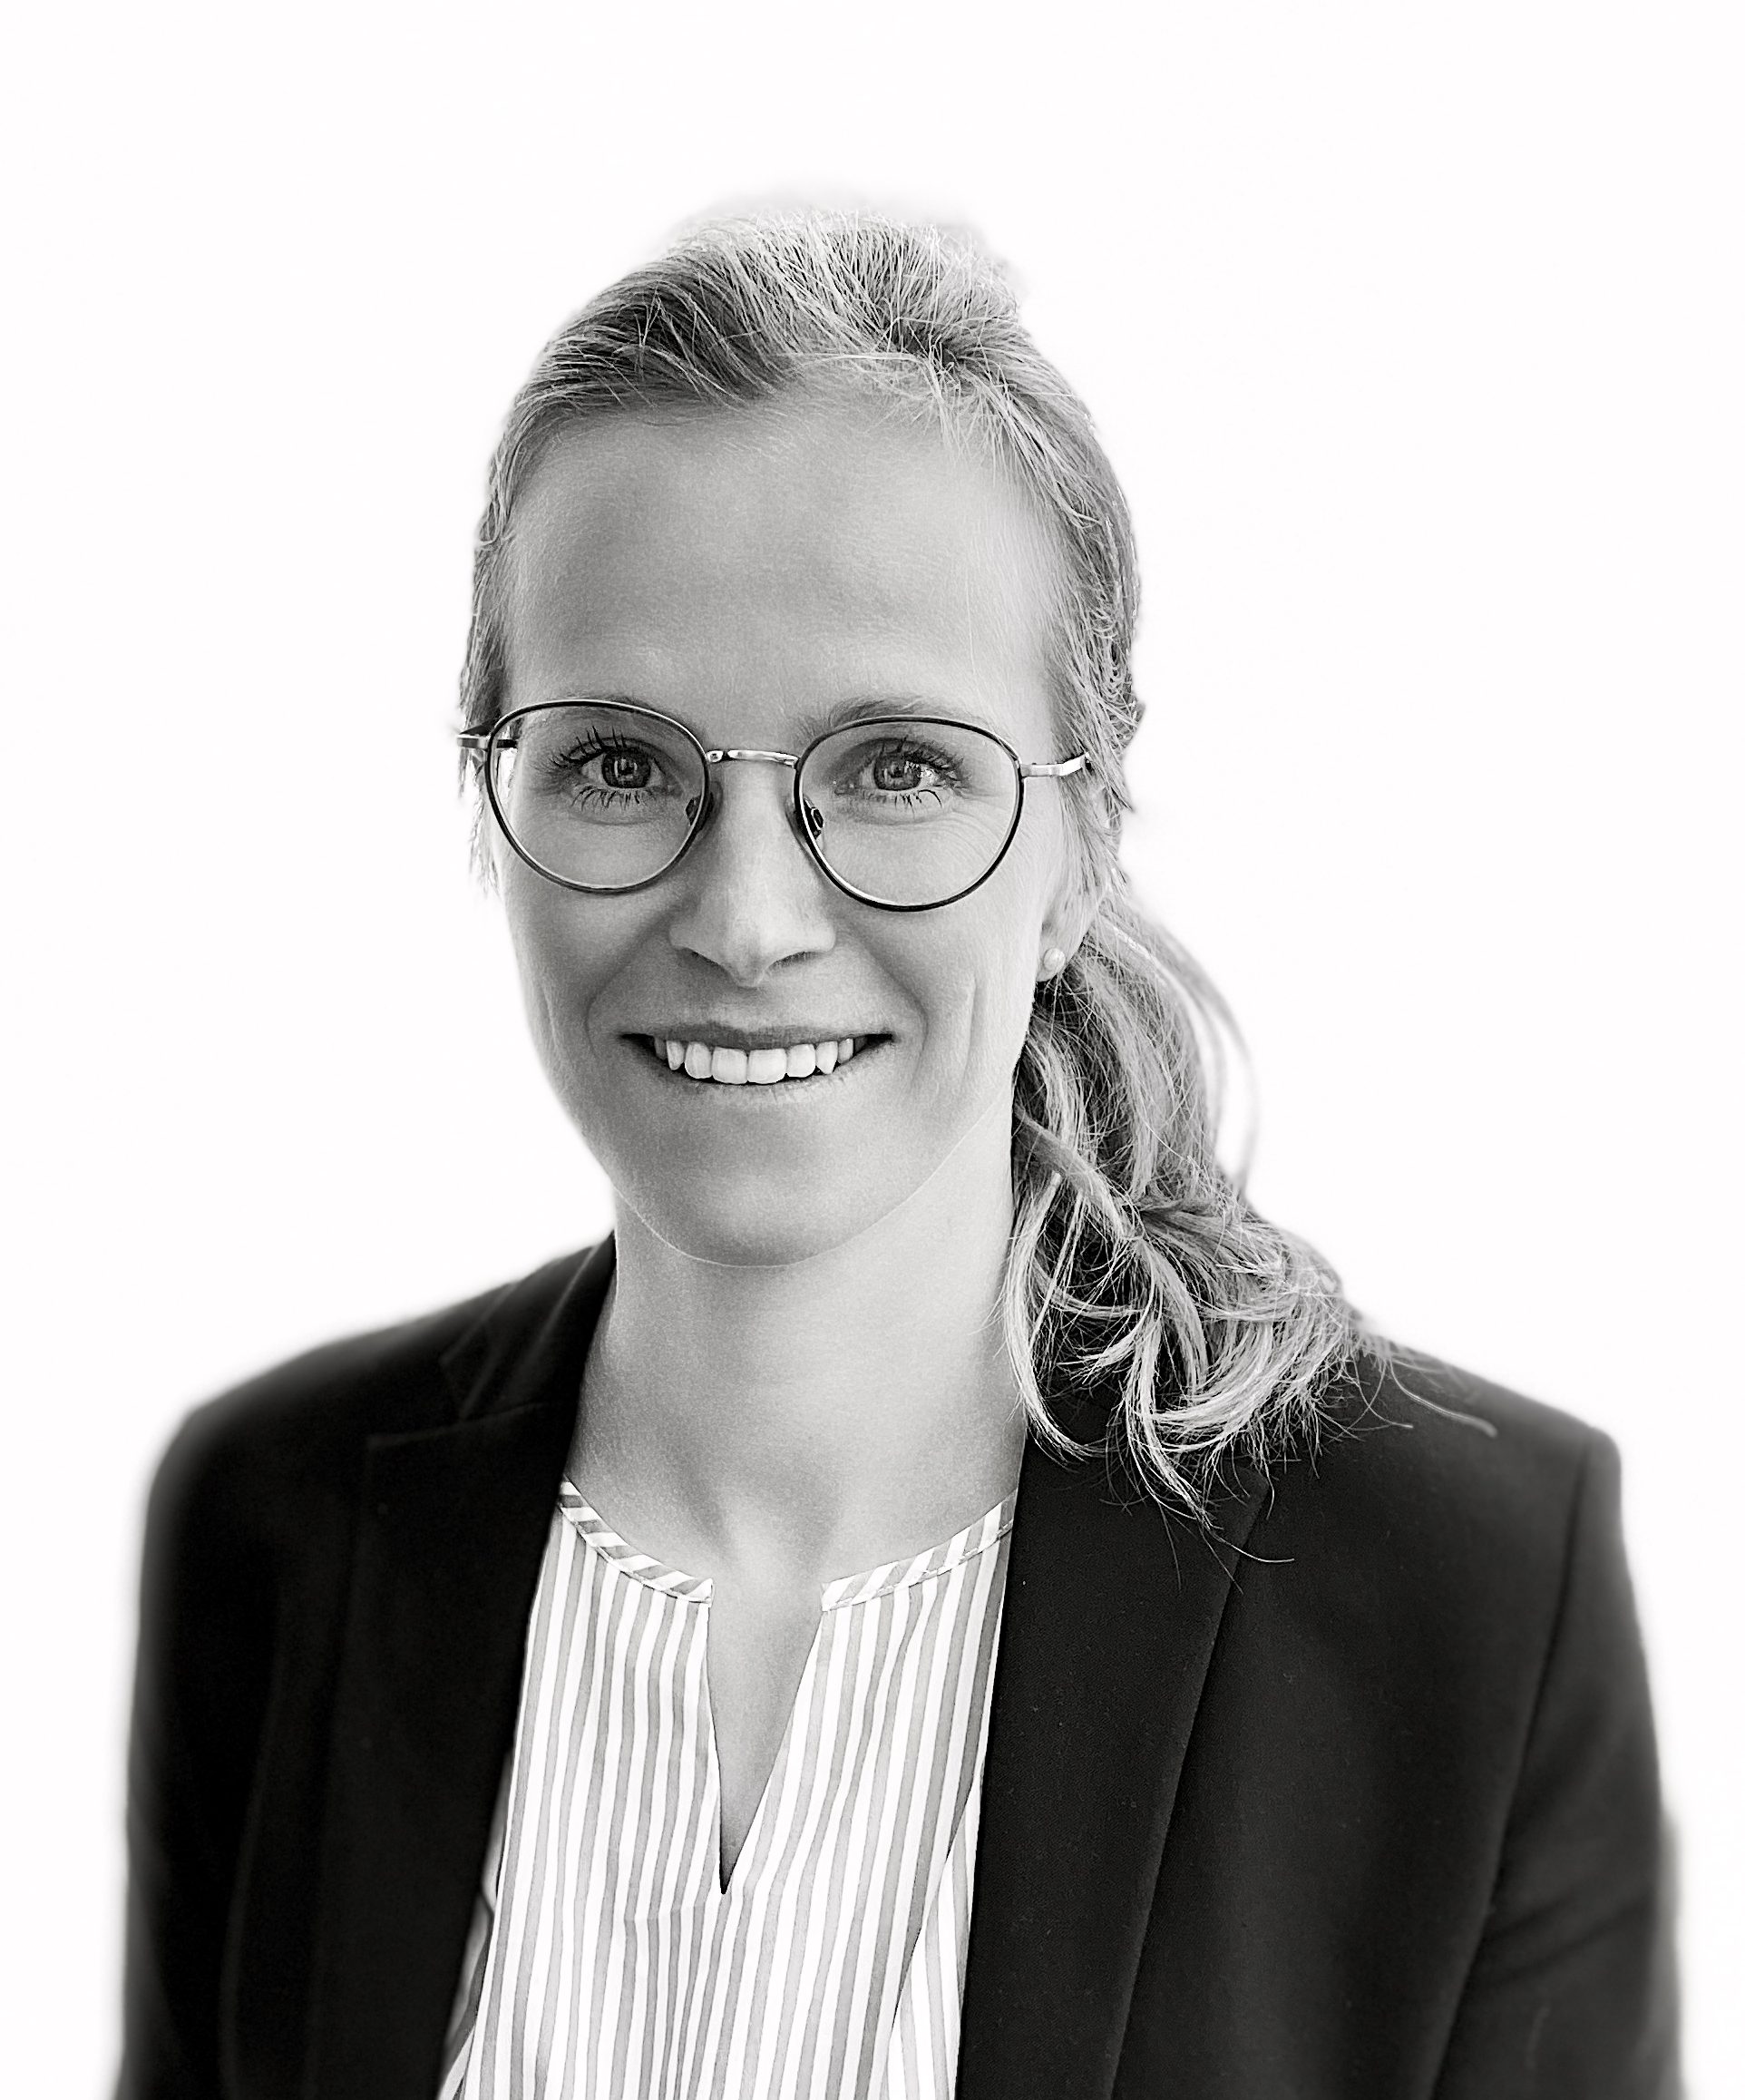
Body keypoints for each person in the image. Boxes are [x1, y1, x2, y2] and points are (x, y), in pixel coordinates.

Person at [119, 211, 1674, 2100]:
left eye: (897, 767)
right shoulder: (273, 1524)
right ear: (491, 798)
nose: (745, 918)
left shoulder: (1469, 1596)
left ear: (1079, 849)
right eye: (619, 761)